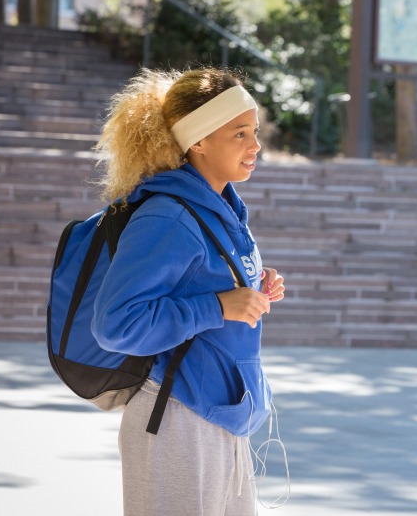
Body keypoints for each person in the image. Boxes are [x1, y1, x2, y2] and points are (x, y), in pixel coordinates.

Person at [90, 68, 285, 516]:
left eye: (254, 132)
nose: (256, 146)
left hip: (223, 414)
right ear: (198, 141)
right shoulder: (168, 217)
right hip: (177, 419)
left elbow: (199, 280)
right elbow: (117, 323)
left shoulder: (223, 209)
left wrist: (252, 285)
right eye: (239, 134)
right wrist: (218, 305)